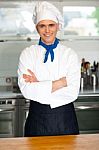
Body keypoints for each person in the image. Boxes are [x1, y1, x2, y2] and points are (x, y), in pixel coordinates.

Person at [18, 1, 81, 137]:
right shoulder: (27, 54)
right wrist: (60, 83)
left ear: (57, 26)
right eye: (42, 26)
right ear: (37, 28)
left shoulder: (69, 54)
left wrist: (39, 85)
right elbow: (27, 90)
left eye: (51, 25)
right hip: (37, 121)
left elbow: (73, 92)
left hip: (66, 120)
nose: (47, 31)